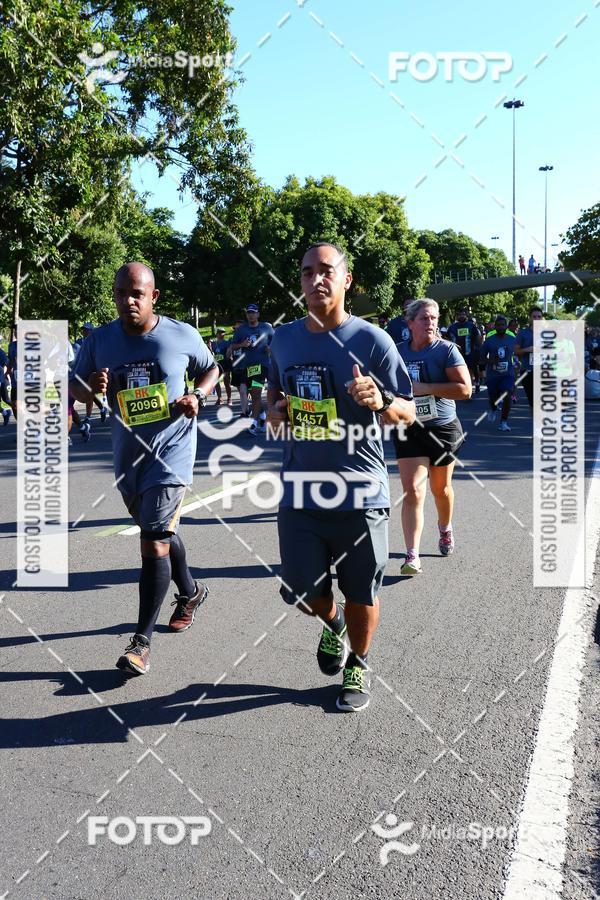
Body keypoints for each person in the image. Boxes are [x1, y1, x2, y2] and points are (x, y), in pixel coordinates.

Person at [267, 241, 415, 712]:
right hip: (301, 491)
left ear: (346, 279)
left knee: (361, 591)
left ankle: (359, 662)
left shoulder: (374, 341)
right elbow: (273, 399)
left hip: (361, 492)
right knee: (302, 592)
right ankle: (333, 626)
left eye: (326, 270)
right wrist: (275, 411)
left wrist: (382, 401)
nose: (316, 279)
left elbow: (408, 412)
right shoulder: (283, 340)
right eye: (307, 272)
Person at [70, 262, 219, 675]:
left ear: (154, 296)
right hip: (128, 459)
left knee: (153, 540)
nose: (128, 300)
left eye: (137, 293)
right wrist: (90, 388)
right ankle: (191, 592)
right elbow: (74, 386)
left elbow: (211, 368)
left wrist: (197, 395)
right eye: (121, 293)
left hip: (172, 454)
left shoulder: (180, 334)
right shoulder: (99, 340)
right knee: (162, 532)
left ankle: (140, 643)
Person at [394, 299, 470, 575]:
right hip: (409, 427)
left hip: (442, 428)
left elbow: (465, 389)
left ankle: (445, 528)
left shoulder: (446, 350)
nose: (431, 323)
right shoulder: (397, 351)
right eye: (425, 318)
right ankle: (412, 555)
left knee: (441, 489)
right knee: (413, 491)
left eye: (434, 318)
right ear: (410, 322)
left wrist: (425, 388)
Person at [230, 305, 274, 435]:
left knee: (256, 392)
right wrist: (242, 344)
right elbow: (232, 346)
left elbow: (276, 342)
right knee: (255, 396)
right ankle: (263, 416)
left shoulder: (267, 328)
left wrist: (270, 348)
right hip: (247, 367)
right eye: (249, 313)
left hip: (262, 365)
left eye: (253, 313)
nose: (251, 315)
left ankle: (253, 424)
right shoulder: (241, 330)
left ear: (258, 314)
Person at [480, 314, 517, 431]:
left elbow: (518, 353)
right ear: (495, 327)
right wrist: (489, 361)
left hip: (508, 374)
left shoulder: (512, 339)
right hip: (493, 375)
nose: (501, 327)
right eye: (499, 325)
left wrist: (517, 364)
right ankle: (493, 408)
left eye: (503, 325)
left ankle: (503, 422)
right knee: (493, 398)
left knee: (507, 394)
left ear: (506, 326)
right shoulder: (489, 341)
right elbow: (481, 357)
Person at [447, 308, 482, 395]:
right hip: (457, 353)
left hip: (470, 352)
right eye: (459, 315)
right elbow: (447, 338)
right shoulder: (452, 327)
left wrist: (477, 348)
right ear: (457, 316)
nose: (461, 316)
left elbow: (478, 337)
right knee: (460, 370)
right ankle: (464, 386)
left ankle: (477, 383)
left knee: (473, 368)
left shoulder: (471, 326)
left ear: (466, 316)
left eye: (463, 314)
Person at [514, 305, 544, 409]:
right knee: (533, 402)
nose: (537, 319)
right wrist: (527, 349)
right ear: (530, 318)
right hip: (527, 371)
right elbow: (516, 351)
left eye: (539, 317)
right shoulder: (523, 333)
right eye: (534, 317)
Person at [211, 327, 233, 406]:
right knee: (216, 381)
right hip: (216, 365)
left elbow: (229, 352)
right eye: (220, 332)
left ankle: (229, 398)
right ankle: (219, 398)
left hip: (225, 364)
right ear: (216, 334)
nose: (221, 334)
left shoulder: (227, 343)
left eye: (223, 332)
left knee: (227, 382)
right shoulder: (213, 343)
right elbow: (211, 352)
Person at [0, 346, 10, 425]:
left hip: (2, 381)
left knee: (7, 400)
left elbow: (8, 365)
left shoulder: (1, 353)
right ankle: (5, 413)